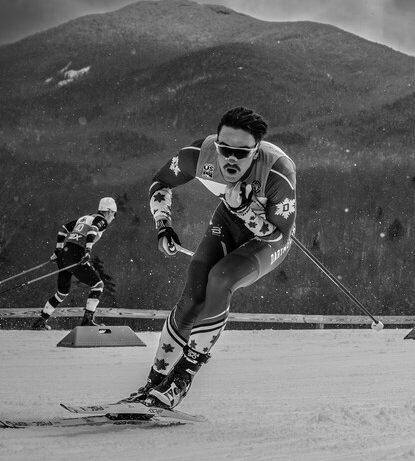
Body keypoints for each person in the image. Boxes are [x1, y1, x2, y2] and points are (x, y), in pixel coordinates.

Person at [128, 106, 297, 410]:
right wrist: (163, 225)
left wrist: (247, 210)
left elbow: (277, 235)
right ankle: (153, 383)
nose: (230, 158)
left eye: (241, 153)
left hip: (266, 236)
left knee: (221, 279)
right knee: (194, 288)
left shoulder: (278, 173)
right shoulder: (200, 155)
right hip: (230, 218)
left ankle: (181, 379)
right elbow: (160, 182)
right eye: (225, 149)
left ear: (256, 151)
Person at [31, 197, 118, 330]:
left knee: (62, 292)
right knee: (98, 285)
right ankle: (87, 321)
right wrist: (88, 250)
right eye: (114, 214)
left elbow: (63, 230)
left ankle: (41, 320)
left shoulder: (85, 218)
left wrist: (58, 251)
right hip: (76, 255)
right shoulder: (102, 220)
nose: (114, 217)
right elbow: (92, 230)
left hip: (64, 255)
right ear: (109, 211)